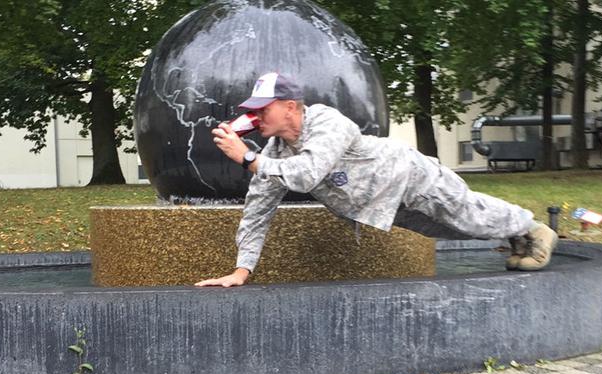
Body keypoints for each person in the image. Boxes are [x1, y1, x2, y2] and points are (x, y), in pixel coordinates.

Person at [195, 72, 557, 287]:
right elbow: (257, 213)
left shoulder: (328, 122)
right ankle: (516, 235)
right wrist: (242, 270)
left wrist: (246, 157)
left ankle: (535, 229)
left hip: (411, 177)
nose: (254, 115)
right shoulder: (273, 154)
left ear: (290, 106)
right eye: (251, 110)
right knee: (458, 228)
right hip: (385, 207)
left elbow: (306, 175)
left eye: (263, 108)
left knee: (469, 213)